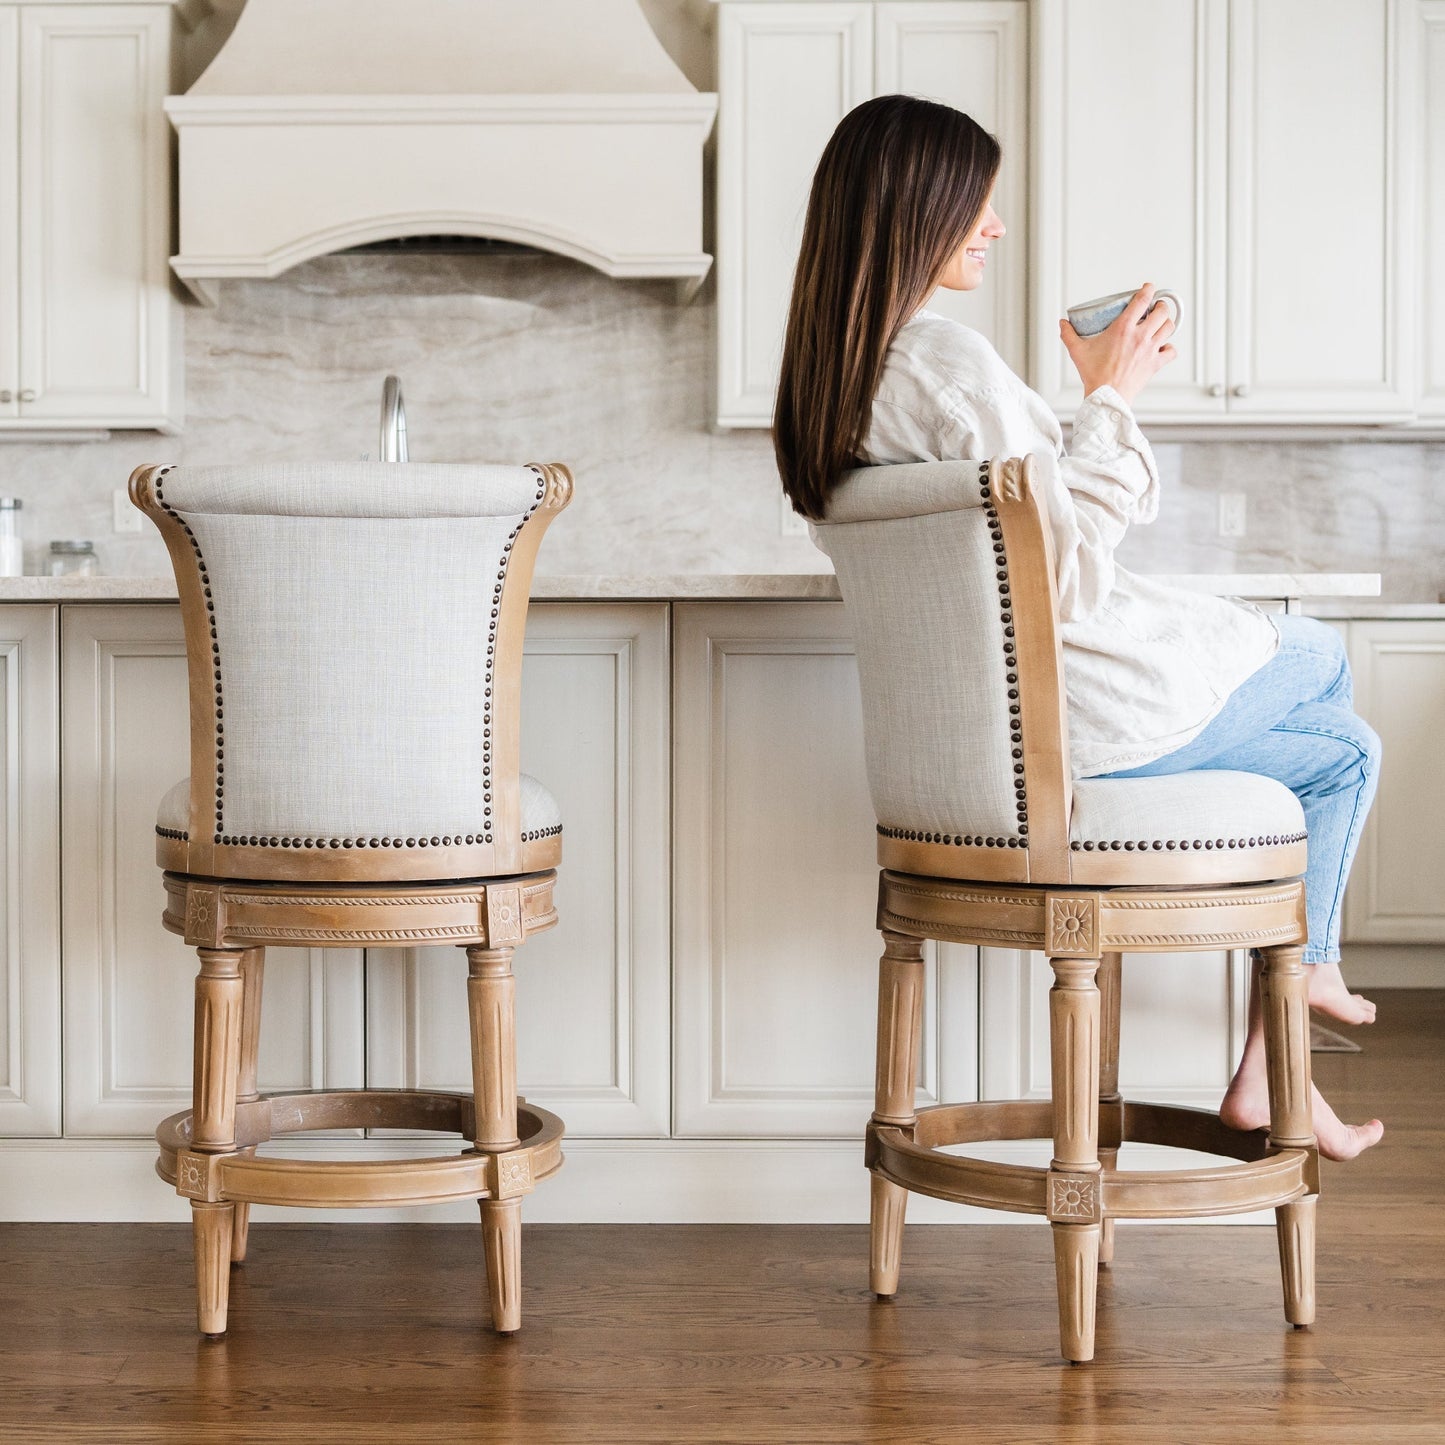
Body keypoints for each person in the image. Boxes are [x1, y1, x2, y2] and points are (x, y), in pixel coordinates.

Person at [774, 93, 1383, 1162]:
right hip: (1068, 735)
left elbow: (1024, 524)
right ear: (918, 207)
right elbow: (1063, 568)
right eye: (980, 203)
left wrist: (1079, 415)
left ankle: (1267, 1056)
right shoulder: (945, 365)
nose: (996, 225)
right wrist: (1111, 396)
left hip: (970, 771)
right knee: (1324, 663)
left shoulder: (839, 383)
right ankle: (1300, 992)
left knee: (1344, 750)